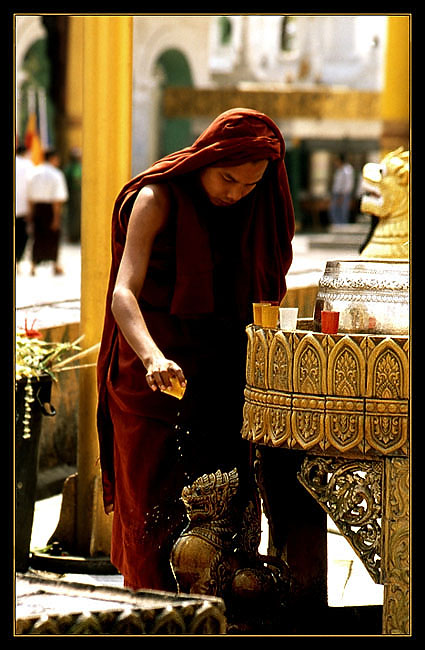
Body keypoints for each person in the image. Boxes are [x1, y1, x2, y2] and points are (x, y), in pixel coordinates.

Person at [96, 108, 295, 592]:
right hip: (152, 375)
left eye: (249, 186)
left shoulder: (251, 207)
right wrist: (152, 358)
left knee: (221, 522)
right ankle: (148, 614)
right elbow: (124, 293)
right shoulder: (157, 197)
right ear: (207, 157)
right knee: (153, 523)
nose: (235, 194)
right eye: (228, 179)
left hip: (218, 374)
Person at [27, 148, 69, 275]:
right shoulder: (56, 174)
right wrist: (56, 218)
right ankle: (55, 264)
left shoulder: (34, 173)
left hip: (37, 208)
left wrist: (31, 213)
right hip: (51, 209)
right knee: (53, 237)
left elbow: (30, 196)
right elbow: (58, 199)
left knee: (37, 237)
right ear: (53, 158)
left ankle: (33, 265)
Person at [15, 144, 35, 267]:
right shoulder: (29, 165)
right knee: (22, 235)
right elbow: (31, 187)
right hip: (23, 207)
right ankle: (17, 259)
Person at [328, 153, 354, 225]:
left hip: (343, 193)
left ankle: (342, 224)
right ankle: (337, 224)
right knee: (334, 210)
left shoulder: (347, 170)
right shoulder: (338, 170)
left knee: (343, 210)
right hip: (336, 193)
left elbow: (348, 184)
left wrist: (342, 195)